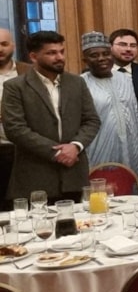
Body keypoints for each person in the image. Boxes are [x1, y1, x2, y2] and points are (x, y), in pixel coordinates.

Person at [2, 31, 100, 201]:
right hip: (36, 176)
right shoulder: (15, 87)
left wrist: (75, 146)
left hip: (74, 174)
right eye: (51, 53)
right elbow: (15, 129)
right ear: (33, 56)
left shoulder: (76, 82)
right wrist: (57, 153)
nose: (59, 57)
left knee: (82, 225)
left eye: (61, 51)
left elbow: (91, 120)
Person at [81, 32, 138, 179]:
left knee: (131, 188)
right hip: (98, 148)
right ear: (84, 60)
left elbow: (135, 111)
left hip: (132, 148)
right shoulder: (80, 83)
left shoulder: (124, 79)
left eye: (106, 53)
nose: (102, 59)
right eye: (94, 55)